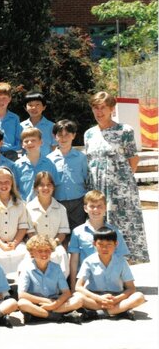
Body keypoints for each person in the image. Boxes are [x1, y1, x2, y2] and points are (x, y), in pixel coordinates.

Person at [83, 91, 149, 263]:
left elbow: (133, 159)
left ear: (112, 109)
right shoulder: (89, 133)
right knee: (99, 231)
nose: (99, 112)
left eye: (103, 108)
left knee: (122, 229)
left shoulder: (124, 131)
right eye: (95, 108)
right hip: (97, 190)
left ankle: (123, 273)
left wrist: (121, 183)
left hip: (120, 192)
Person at [74, 227, 147, 320]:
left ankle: (99, 313)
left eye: (109, 244)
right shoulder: (88, 261)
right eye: (100, 244)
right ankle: (120, 310)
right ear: (94, 244)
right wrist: (98, 298)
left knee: (139, 297)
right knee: (77, 297)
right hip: (95, 298)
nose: (105, 248)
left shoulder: (121, 262)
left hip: (116, 298)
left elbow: (131, 288)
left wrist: (117, 299)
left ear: (116, 244)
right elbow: (78, 287)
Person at [16, 234, 83, 323]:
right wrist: (46, 301)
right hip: (35, 302)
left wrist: (54, 304)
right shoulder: (26, 268)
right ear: (31, 252)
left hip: (55, 302)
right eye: (40, 251)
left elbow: (66, 293)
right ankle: (55, 315)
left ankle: (40, 314)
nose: (44, 254)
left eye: (47, 250)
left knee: (78, 300)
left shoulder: (56, 268)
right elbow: (22, 295)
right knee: (22, 303)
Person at [49, 119, 89, 228]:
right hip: (57, 202)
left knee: (78, 230)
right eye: (60, 135)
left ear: (74, 135)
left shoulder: (81, 158)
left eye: (67, 134)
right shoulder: (49, 159)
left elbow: (87, 180)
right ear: (55, 136)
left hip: (78, 202)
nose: (63, 138)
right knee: (60, 231)